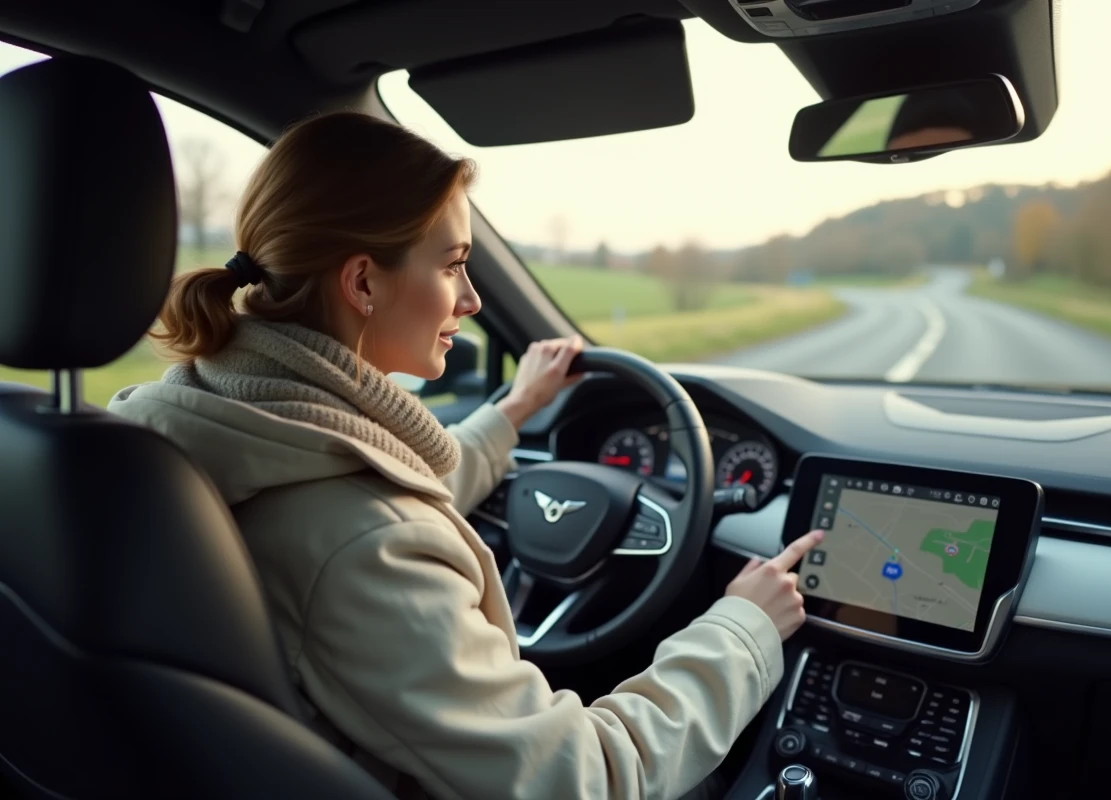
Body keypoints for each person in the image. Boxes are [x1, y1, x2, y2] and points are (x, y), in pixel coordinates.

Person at [108, 110, 824, 800]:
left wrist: (513, 412)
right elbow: (589, 778)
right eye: (453, 265)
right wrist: (742, 630)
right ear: (363, 282)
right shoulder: (363, 548)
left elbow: (389, 486)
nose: (473, 299)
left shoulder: (192, 427)